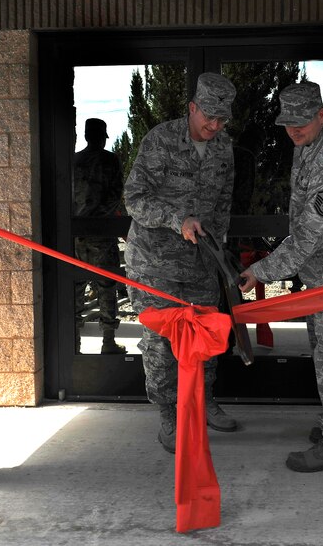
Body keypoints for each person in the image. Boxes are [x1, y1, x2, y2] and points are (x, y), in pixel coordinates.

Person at [239, 81, 323, 472]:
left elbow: (307, 240)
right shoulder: (309, 144)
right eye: (287, 123)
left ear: (321, 114)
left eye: (301, 122)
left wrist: (259, 271)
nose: (292, 130)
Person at [124, 72, 239, 453]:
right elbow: (135, 199)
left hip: (201, 264)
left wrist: (219, 250)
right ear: (192, 107)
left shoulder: (223, 148)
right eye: (208, 116)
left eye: (222, 119)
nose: (214, 125)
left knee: (206, 339)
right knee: (160, 345)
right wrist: (178, 219)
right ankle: (169, 418)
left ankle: (204, 403)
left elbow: (223, 204)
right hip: (155, 265)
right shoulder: (160, 140)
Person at [72, 117, 125, 354]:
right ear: (102, 137)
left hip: (75, 233)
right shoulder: (110, 160)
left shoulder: (73, 161)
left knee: (75, 287)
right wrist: (100, 219)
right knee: (107, 286)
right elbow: (116, 195)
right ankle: (108, 341)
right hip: (101, 232)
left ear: (86, 136)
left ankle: (73, 342)